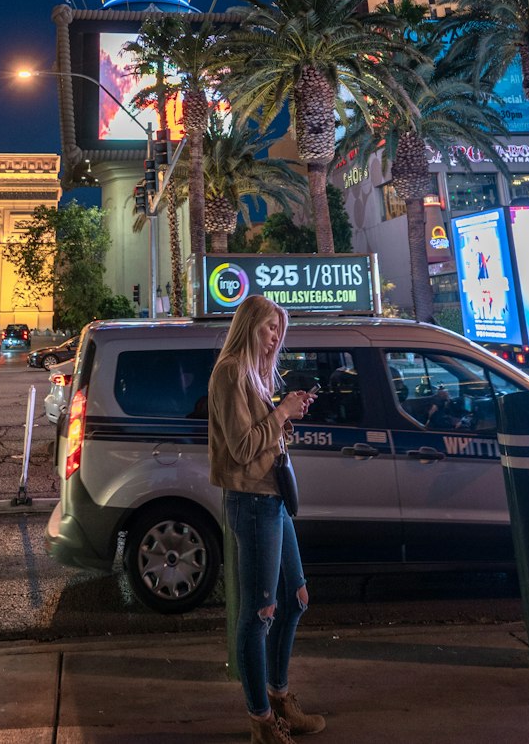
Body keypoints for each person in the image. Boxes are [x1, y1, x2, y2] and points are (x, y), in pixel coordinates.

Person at [208, 295, 324, 743]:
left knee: (295, 598)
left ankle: (280, 697)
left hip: (272, 499)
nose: (275, 336)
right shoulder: (231, 372)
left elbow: (261, 437)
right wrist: (282, 412)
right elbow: (240, 448)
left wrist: (287, 413)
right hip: (252, 502)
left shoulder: (254, 374)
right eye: (269, 327)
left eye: (280, 330)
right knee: (259, 613)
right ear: (249, 324)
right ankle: (261, 721)